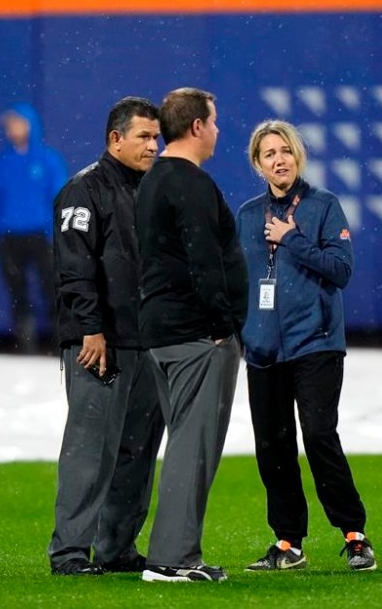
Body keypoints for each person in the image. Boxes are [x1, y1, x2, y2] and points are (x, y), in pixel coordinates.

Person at [235, 120, 376, 573]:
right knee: (272, 447)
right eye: (269, 154)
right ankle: (287, 542)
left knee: (318, 437)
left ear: (298, 157)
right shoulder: (247, 215)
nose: (279, 160)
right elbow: (238, 280)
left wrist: (292, 239)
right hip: (263, 351)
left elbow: (341, 270)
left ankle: (354, 534)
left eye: (286, 151)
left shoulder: (323, 206)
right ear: (258, 164)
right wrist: (241, 331)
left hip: (315, 343)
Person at [47, 97, 166, 576]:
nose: (153, 145)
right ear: (115, 138)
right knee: (90, 450)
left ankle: (116, 548)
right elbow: (74, 270)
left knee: (137, 453)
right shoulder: (83, 190)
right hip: (101, 344)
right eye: (143, 136)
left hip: (147, 342)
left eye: (156, 137)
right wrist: (90, 329)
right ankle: (70, 552)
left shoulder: (157, 189)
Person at [134, 88, 248, 583]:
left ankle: (172, 553)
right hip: (197, 335)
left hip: (162, 328)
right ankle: (173, 559)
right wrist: (222, 328)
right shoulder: (191, 184)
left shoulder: (153, 179)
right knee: (191, 446)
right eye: (215, 121)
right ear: (197, 127)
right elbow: (205, 262)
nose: (219, 130)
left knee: (184, 441)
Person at [0, 103, 69, 354]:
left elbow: (60, 197)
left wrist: (55, 233)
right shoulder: (1, 164)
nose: (13, 129)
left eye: (18, 123)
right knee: (19, 296)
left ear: (30, 125)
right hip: (10, 239)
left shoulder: (48, 160)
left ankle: (60, 349)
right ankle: (26, 349)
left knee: (53, 292)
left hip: (42, 237)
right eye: (10, 125)